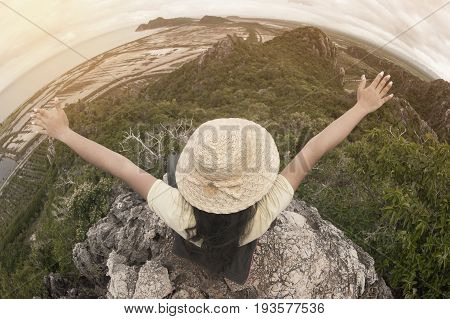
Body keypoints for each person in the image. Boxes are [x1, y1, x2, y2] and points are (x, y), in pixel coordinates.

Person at [31, 72, 393, 284]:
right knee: (180, 173)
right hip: (237, 241)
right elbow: (313, 150)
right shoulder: (263, 211)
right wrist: (361, 107)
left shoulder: (177, 210)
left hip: (194, 234)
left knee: (171, 165)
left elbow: (121, 166)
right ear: (253, 186)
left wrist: (64, 133)